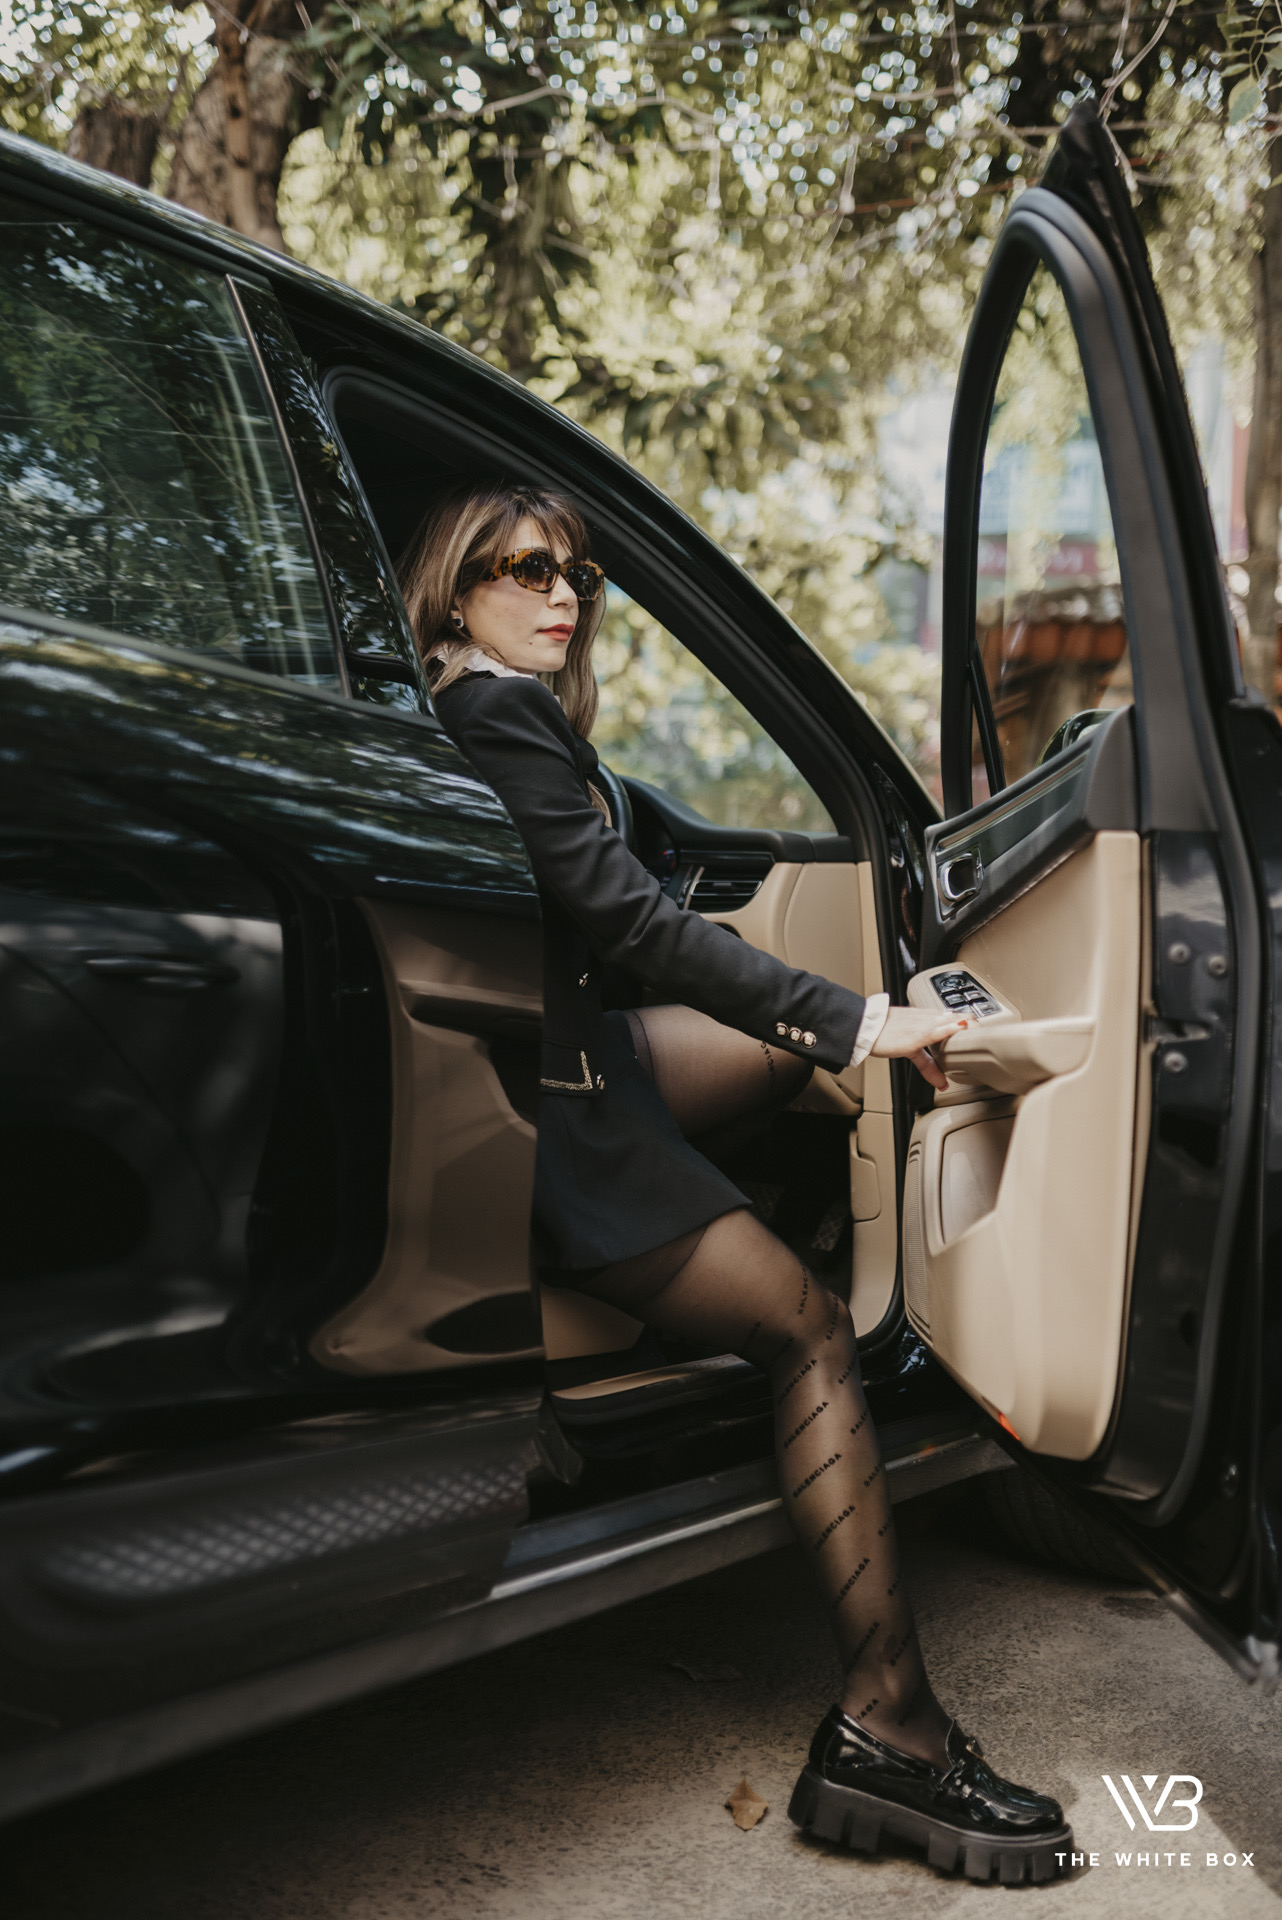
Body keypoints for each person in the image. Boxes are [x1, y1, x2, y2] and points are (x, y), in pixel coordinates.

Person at [400, 479, 1071, 1883]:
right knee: (811, 1327)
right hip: (553, 1119)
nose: (561, 593)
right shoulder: (496, 714)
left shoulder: (472, 710)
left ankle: (756, 1238)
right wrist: (858, 1018)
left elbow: (616, 880)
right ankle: (887, 1723)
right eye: (523, 568)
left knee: (778, 1061)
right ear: (454, 589)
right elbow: (628, 920)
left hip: (568, 1057)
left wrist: (828, 1029)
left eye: (578, 573)